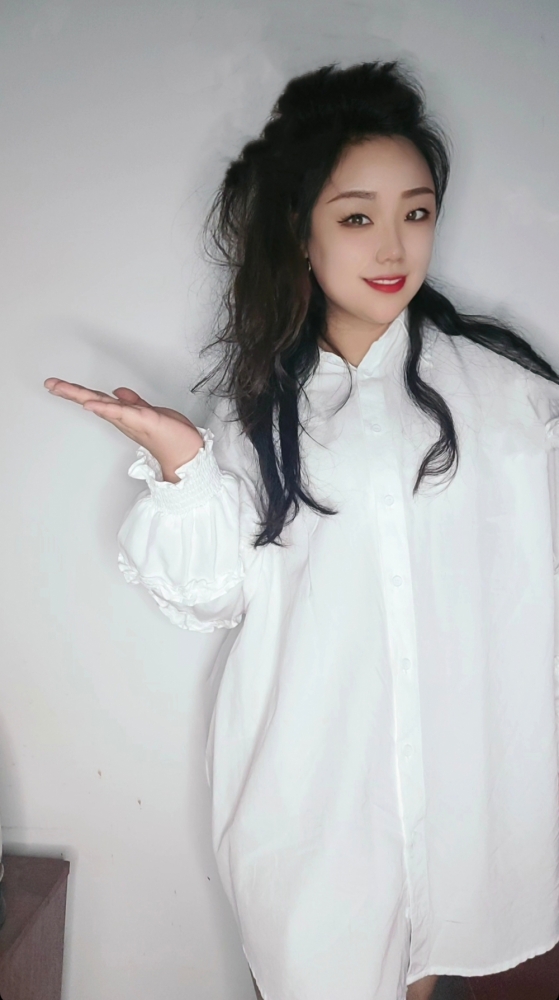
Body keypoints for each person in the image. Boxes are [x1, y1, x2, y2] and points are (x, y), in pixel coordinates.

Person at [44, 60, 559, 1000]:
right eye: (357, 217)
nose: (394, 244)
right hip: (315, 799)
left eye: (417, 211)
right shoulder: (257, 422)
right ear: (301, 231)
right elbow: (210, 594)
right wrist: (182, 464)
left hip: (470, 798)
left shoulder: (506, 398)